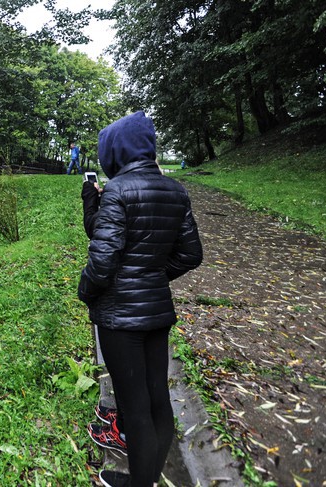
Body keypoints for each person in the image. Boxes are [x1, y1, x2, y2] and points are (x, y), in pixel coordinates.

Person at [78, 112, 203, 487]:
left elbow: (102, 261)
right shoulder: (176, 190)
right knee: (157, 402)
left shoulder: (117, 190)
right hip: (156, 311)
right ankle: (146, 479)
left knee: (134, 410)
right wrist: (149, 278)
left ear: (115, 151)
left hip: (120, 318)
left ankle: (139, 483)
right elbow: (190, 254)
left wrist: (86, 292)